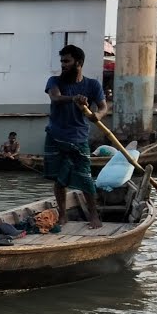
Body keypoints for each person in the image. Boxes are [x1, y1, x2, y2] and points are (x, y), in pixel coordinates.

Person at [44, 43, 104, 229]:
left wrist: (97, 116)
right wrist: (74, 98)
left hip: (78, 138)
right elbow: (55, 98)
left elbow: (103, 107)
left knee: (85, 178)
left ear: (79, 63)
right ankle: (63, 216)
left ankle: (93, 216)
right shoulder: (54, 81)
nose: (63, 65)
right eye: (62, 61)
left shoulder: (92, 85)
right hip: (56, 136)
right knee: (59, 180)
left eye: (67, 61)